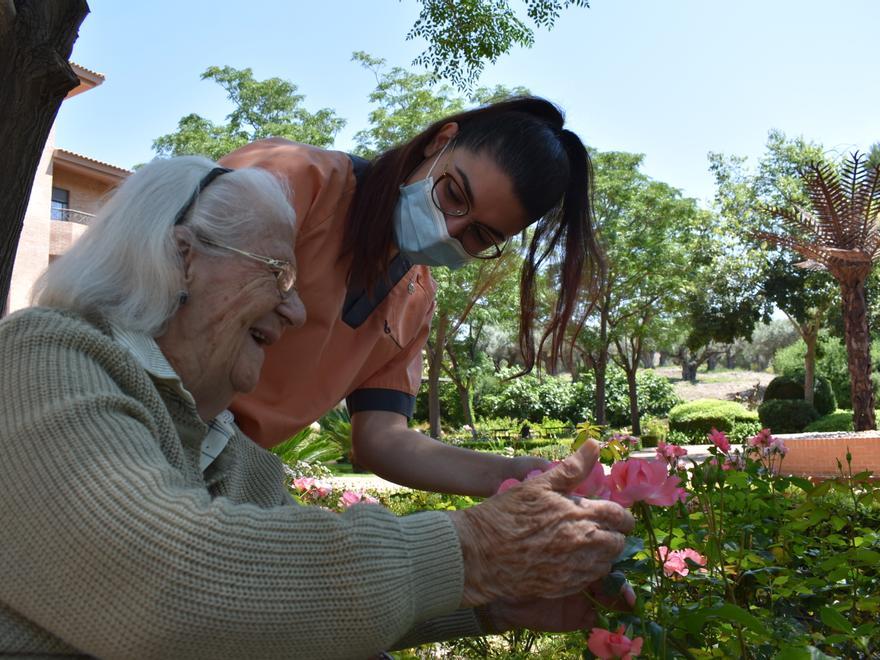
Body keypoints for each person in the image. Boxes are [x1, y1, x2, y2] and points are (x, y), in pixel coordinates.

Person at [0, 156, 634, 658]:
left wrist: (496, 599)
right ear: (181, 256)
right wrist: (472, 552)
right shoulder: (42, 356)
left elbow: (280, 602)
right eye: (277, 273)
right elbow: (161, 587)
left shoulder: (230, 454)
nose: (299, 311)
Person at [221, 96, 600, 496]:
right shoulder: (295, 177)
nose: (448, 230)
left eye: (479, 236)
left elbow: (381, 438)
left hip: (224, 470)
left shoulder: (415, 301)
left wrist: (512, 475)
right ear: (440, 141)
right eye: (453, 194)